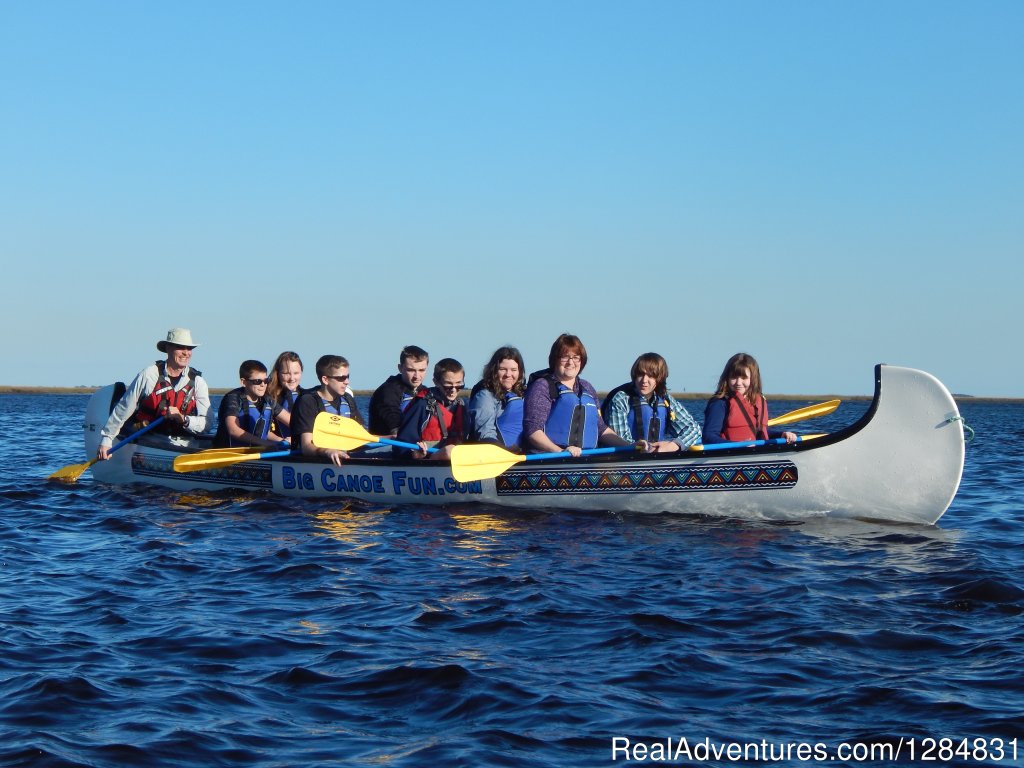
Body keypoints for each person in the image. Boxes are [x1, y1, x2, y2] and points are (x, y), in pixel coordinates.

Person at [96, 328, 211, 460]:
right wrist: (106, 439)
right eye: (180, 347)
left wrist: (183, 419)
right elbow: (124, 408)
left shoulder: (198, 382)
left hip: (185, 441)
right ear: (168, 348)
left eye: (189, 348)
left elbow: (207, 424)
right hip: (149, 438)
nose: (186, 352)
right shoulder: (149, 375)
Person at [522, 333, 641, 457]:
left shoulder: (587, 388)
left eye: (576, 357)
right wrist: (560, 452)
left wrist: (629, 446)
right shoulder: (542, 387)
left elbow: (600, 429)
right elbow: (533, 431)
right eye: (565, 357)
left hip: (583, 458)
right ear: (555, 359)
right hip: (550, 458)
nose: (570, 362)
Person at [601, 352, 701, 452]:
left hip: (655, 458)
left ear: (660, 378)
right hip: (625, 458)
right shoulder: (620, 399)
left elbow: (694, 429)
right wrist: (641, 447)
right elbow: (620, 440)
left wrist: (674, 445)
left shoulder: (665, 400)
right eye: (640, 374)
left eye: (650, 376)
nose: (644, 380)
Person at [702, 352, 797, 444]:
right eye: (734, 377)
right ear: (727, 378)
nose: (738, 383)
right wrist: (738, 447)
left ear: (753, 379)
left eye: (744, 378)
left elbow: (758, 432)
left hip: (754, 451)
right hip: (731, 454)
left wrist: (781, 434)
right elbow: (708, 437)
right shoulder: (720, 403)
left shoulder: (756, 401)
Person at [291, 355, 363, 465]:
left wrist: (392, 437)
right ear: (325, 379)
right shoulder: (308, 401)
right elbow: (306, 447)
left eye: (347, 376)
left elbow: (362, 436)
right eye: (341, 378)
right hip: (312, 461)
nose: (347, 381)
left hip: (343, 455)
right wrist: (327, 451)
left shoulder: (348, 400)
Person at [396, 357, 467, 459]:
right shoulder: (422, 405)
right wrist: (414, 454)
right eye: (448, 385)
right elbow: (401, 446)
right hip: (427, 461)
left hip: (455, 460)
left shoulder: (462, 406)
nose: (453, 390)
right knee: (448, 451)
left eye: (459, 385)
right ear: (436, 382)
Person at [213, 360, 290, 449]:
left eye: (266, 380)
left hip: (257, 450)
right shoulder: (233, 399)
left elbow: (292, 422)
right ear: (243, 382)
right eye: (257, 381)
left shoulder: (267, 400)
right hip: (229, 453)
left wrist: (284, 440)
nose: (263, 385)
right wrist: (265, 443)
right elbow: (233, 430)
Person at [467, 345, 526, 450]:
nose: (508, 374)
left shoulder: (521, 394)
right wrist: (506, 452)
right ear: (494, 370)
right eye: (503, 369)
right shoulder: (484, 396)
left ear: (520, 372)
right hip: (495, 454)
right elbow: (485, 433)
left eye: (513, 370)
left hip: (520, 453)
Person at [368, 345, 429, 436]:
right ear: (400, 368)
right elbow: (396, 426)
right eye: (411, 370)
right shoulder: (387, 392)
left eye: (421, 370)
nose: (417, 376)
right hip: (384, 446)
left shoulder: (426, 392)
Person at [267, 351, 303, 440]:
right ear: (278, 373)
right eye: (286, 373)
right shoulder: (267, 397)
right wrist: (282, 441)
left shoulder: (307, 396)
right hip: (278, 448)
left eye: (296, 373)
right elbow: (261, 431)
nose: (292, 378)